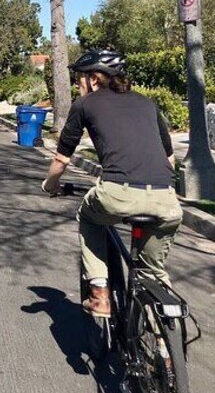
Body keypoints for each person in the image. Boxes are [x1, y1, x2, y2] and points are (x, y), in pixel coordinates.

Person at [42, 49, 183, 318]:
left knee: (89, 217)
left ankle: (99, 294)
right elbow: (170, 159)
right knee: (151, 271)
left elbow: (61, 160)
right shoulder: (147, 103)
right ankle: (166, 344)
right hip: (167, 199)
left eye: (79, 79)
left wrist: (50, 186)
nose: (77, 84)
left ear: (94, 79)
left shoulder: (84, 104)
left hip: (117, 195)